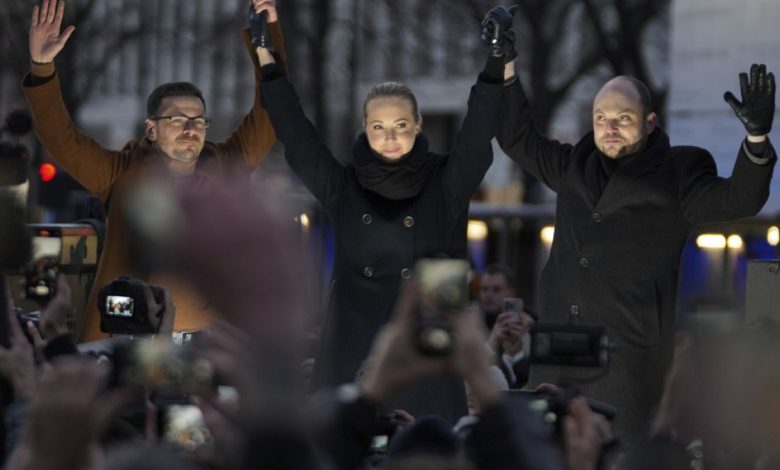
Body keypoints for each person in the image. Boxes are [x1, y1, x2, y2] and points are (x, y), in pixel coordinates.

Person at [496, 15, 776, 439]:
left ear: (649, 122)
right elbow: (516, 137)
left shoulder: (679, 172)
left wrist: (756, 139)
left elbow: (741, 198)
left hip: (627, 361)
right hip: (559, 355)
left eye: (622, 118)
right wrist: (505, 61)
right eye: (600, 117)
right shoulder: (573, 164)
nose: (608, 127)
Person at [253, 9, 511, 422]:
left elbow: (479, 137)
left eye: (400, 125)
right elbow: (297, 140)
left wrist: (496, 61)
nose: (389, 137)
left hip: (428, 350)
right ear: (365, 129)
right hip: (354, 353)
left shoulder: (446, 184)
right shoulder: (344, 187)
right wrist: (267, 60)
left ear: (418, 125)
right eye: (378, 126)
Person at [22, 0, 287, 341]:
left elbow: (271, 114)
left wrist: (266, 39)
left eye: (198, 120)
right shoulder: (120, 173)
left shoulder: (226, 166)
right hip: (128, 337)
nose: (190, 128)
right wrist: (42, 66)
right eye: (177, 119)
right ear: (151, 129)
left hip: (205, 344)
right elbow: (62, 139)